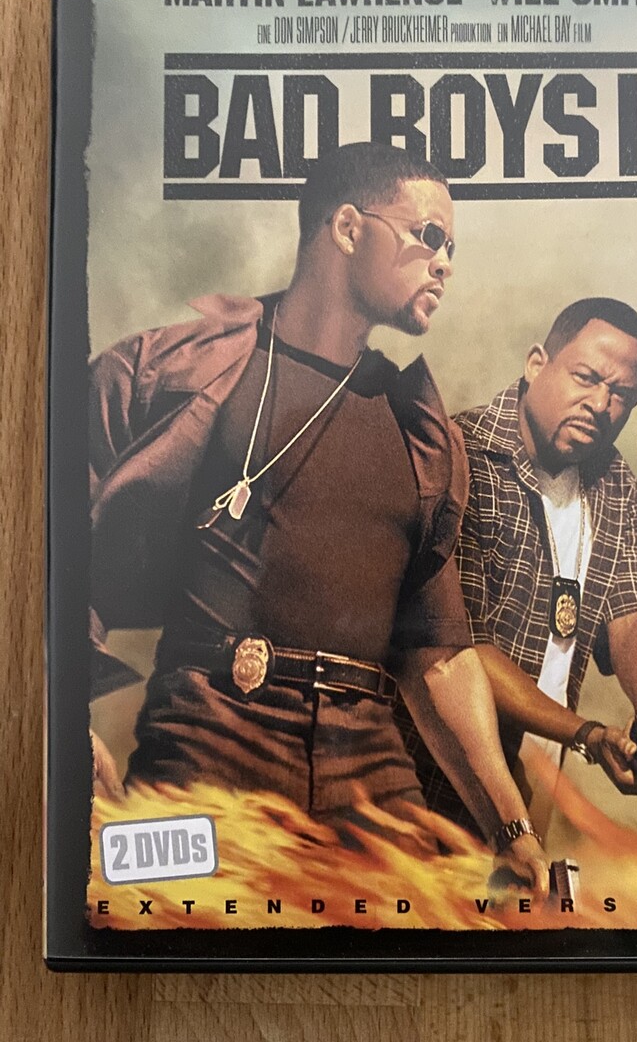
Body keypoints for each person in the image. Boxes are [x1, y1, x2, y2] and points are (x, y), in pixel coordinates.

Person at [88, 142, 547, 890]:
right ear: (347, 228)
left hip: (369, 778)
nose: (444, 264)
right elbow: (48, 554)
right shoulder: (172, 374)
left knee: (416, 937)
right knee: (168, 924)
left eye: (452, 250)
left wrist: (511, 828)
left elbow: (438, 656)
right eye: (429, 236)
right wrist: (65, 726)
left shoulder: (421, 433)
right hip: (209, 753)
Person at [400, 298, 637, 834]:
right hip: (429, 791)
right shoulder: (459, 456)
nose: (600, 404)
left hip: (534, 799)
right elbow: (460, 650)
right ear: (536, 364)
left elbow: (636, 616)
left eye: (621, 394)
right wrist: (587, 734)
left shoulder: (616, 485)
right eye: (586, 378)